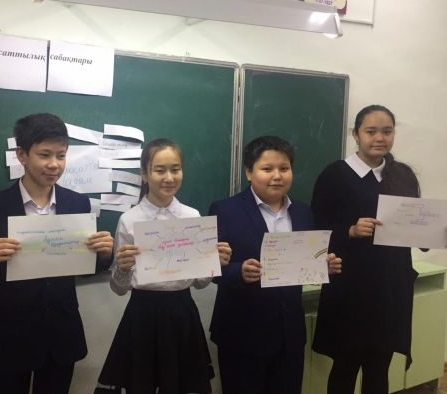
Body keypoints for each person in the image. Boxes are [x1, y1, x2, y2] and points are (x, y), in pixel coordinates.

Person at [0, 112, 114, 394]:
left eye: (61, 155)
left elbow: (86, 268)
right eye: (45, 155)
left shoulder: (77, 204)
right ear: (22, 155)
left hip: (61, 336)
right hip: (8, 338)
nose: (54, 164)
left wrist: (105, 254)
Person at [96, 138, 232, 394]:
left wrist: (214, 263)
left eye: (175, 169)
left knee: (181, 385)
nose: (169, 177)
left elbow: (200, 283)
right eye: (159, 170)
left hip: (183, 313)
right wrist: (122, 268)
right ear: (144, 174)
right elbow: (118, 288)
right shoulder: (129, 220)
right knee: (141, 385)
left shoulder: (192, 217)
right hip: (142, 315)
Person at [208, 136, 342, 394]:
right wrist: (238, 271)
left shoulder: (303, 212)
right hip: (241, 333)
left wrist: (323, 266)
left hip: (289, 335)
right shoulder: (225, 210)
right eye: (267, 169)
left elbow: (304, 264)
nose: (277, 176)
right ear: (249, 172)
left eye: (284, 168)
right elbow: (210, 266)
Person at [311, 105, 422, 394]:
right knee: (345, 365)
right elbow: (315, 230)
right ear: (355, 134)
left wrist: (435, 233)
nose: (379, 138)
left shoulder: (402, 175)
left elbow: (416, 226)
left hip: (390, 287)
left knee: (379, 366)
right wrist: (349, 230)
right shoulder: (334, 175)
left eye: (387, 131)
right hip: (350, 287)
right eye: (371, 131)